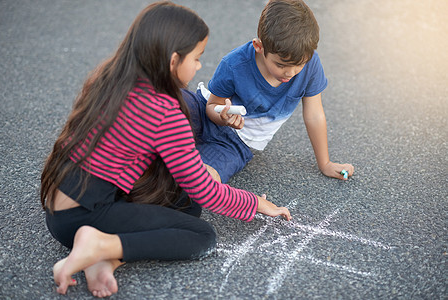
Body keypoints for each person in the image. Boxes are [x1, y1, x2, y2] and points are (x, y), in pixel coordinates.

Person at [40, 2, 291, 298]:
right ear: (173, 60)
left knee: (186, 203)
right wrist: (256, 204)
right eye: (197, 58)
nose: (199, 66)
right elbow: (205, 190)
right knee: (200, 235)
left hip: (61, 205)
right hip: (82, 218)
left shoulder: (111, 78)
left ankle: (104, 257)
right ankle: (98, 244)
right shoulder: (165, 112)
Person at [182, 0, 354, 184]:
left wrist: (325, 163)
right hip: (204, 112)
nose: (290, 72)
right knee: (166, 101)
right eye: (281, 65)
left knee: (201, 179)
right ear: (258, 46)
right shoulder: (234, 64)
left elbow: (314, 115)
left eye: (299, 65)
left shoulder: (310, 64)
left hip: (237, 144)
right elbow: (211, 106)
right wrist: (222, 117)